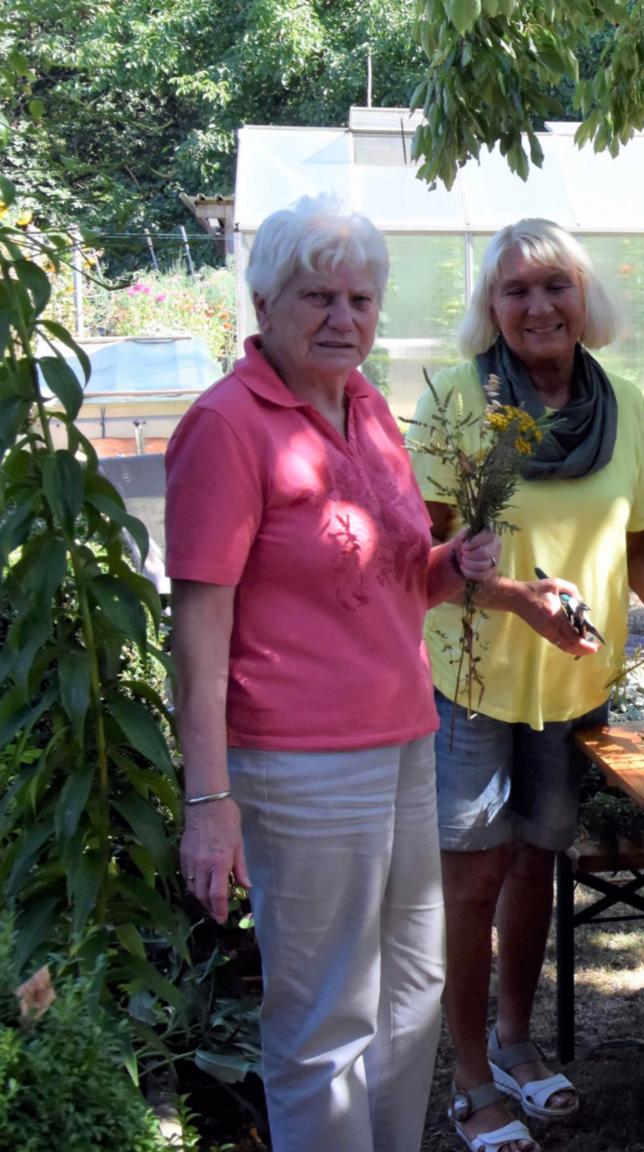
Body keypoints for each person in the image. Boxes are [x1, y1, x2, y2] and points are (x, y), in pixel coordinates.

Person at [168, 194, 500, 1152]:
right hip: (299, 761)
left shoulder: (366, 409)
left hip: (404, 739)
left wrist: (455, 566)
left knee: (410, 994)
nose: (342, 317)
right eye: (317, 295)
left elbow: (396, 581)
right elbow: (197, 629)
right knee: (324, 1019)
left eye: (360, 297)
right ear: (265, 301)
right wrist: (209, 799)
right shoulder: (228, 426)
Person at [409, 219, 644, 1152]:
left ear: (586, 299)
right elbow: (421, 554)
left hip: (573, 683)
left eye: (555, 287)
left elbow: (642, 548)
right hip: (470, 679)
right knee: (473, 878)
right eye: (515, 291)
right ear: (490, 309)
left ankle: (517, 1044)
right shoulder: (460, 403)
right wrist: (507, 597)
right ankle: (466, 1077)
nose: (537, 307)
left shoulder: (624, 402)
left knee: (538, 862)